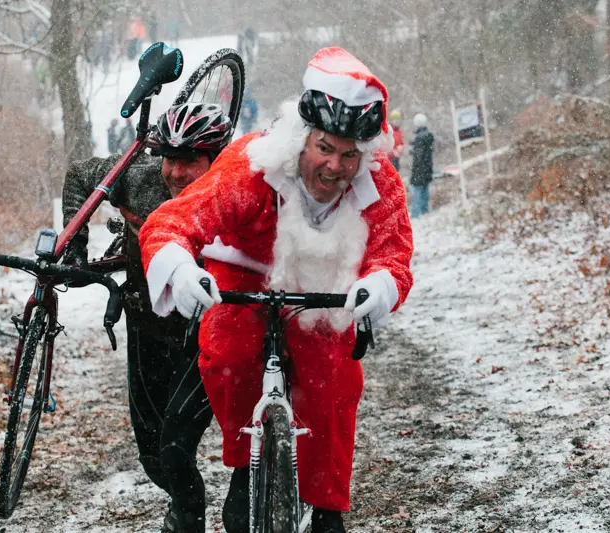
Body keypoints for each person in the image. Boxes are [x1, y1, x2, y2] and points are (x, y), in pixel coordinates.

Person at [139, 47, 414, 533]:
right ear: (300, 141)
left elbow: (393, 252)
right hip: (243, 274)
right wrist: (182, 270)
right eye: (325, 149)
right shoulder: (252, 166)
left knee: (334, 379)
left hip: (323, 288)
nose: (335, 168)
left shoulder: (379, 182)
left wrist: (379, 285)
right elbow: (172, 222)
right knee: (229, 351)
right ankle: (246, 463)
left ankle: (328, 506)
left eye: (350, 155)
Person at [61, 103, 234, 533]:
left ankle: (203, 510)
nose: (176, 172)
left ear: (215, 157)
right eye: (169, 159)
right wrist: (76, 248)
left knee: (178, 442)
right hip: (147, 323)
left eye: (189, 160)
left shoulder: (234, 189)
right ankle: (182, 498)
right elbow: (81, 174)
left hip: (211, 331)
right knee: (153, 451)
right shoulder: (139, 178)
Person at [409, 113, 434, 218]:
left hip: (419, 169)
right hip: (428, 166)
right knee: (425, 189)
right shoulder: (429, 135)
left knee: (417, 190)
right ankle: (425, 210)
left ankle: (415, 214)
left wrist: (412, 150)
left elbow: (418, 155)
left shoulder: (419, 137)